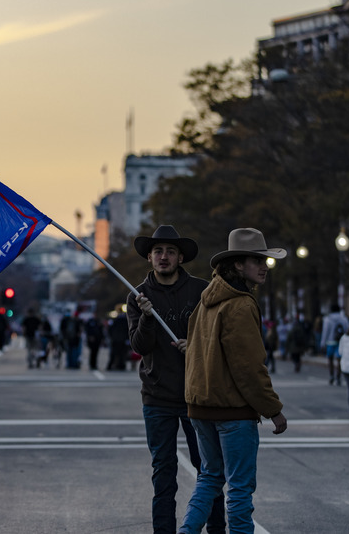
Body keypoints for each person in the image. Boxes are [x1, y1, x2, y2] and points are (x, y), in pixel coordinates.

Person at [179, 227, 288, 534]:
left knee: (210, 477)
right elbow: (249, 367)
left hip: (200, 408)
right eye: (257, 260)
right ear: (239, 265)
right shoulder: (240, 304)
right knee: (239, 488)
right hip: (232, 411)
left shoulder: (206, 302)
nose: (264, 266)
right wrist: (273, 409)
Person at [126, 225, 224, 534]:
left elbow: (219, 337)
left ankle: (217, 529)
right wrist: (145, 316)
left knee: (208, 470)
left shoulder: (202, 290)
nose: (164, 257)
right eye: (158, 252)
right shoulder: (138, 296)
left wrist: (194, 345)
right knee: (163, 474)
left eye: (170, 251)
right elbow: (139, 347)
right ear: (149, 258)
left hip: (197, 395)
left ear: (180, 257)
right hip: (157, 397)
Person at [321, 303, 349, 385]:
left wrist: (323, 343)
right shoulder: (343, 319)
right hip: (341, 341)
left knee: (330, 359)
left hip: (330, 341)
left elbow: (325, 332)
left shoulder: (327, 319)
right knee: (339, 360)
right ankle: (338, 376)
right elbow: (347, 329)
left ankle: (331, 375)